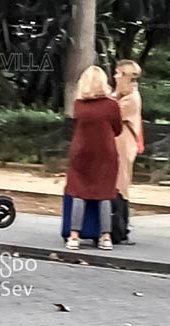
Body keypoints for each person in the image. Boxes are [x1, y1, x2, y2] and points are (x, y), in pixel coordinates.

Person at [64, 66, 123, 251]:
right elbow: (118, 129)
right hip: (105, 153)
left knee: (79, 192)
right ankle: (106, 237)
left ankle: (74, 236)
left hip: (81, 152)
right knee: (105, 193)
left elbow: (76, 124)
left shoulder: (78, 104)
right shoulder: (112, 105)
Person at [113, 60, 143, 214]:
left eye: (118, 73)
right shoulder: (122, 95)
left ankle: (119, 224)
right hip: (117, 145)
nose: (115, 77)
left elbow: (111, 112)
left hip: (123, 146)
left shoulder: (131, 98)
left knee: (120, 183)